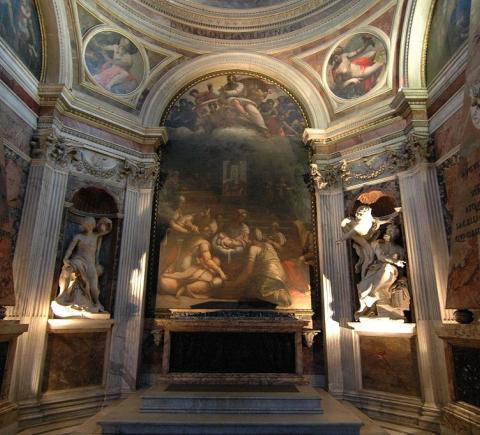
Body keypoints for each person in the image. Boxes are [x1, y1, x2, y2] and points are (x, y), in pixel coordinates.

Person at [55, 216, 112, 313]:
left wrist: (105, 222)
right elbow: (70, 249)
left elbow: (107, 229)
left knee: (94, 287)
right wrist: (65, 258)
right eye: (87, 225)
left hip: (90, 264)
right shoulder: (78, 237)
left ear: (93, 225)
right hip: (78, 260)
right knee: (67, 270)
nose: (88, 227)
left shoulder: (96, 236)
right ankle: (63, 295)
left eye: (90, 225)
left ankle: (96, 303)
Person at [355, 224, 406, 319]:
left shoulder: (400, 249)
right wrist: (395, 261)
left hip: (392, 272)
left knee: (387, 267)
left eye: (392, 231)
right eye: (388, 231)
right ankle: (372, 298)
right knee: (385, 267)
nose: (389, 233)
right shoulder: (379, 244)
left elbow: (401, 268)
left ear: (396, 235)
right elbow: (380, 257)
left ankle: (372, 293)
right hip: (376, 269)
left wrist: (401, 279)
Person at [234, 228, 291, 307]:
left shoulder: (253, 248)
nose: (244, 240)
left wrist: (235, 283)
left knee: (248, 292)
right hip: (281, 275)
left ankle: (277, 296)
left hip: (269, 275)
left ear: (251, 238)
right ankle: (280, 293)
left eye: (245, 237)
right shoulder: (268, 245)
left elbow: (248, 271)